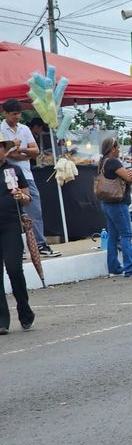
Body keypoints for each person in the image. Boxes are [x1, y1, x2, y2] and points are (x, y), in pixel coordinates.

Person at [1, 99, 59, 257]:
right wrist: (19, 151)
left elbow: (36, 151)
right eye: (14, 114)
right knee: (12, 210)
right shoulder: (1, 129)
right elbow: (8, 154)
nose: (17, 117)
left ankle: (40, 244)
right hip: (8, 174)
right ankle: (16, 248)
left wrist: (20, 149)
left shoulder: (24, 129)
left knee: (34, 208)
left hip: (27, 175)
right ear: (5, 113)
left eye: (19, 113)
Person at [0, 135, 34, 335]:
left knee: (14, 269)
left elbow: (27, 198)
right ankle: (2, 320)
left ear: (5, 150)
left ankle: (24, 310)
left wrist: (22, 196)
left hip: (11, 225)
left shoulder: (14, 170)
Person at [98, 137, 132, 278]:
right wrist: (130, 174)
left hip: (106, 203)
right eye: (118, 147)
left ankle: (114, 268)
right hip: (117, 203)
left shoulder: (102, 162)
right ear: (112, 148)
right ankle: (131, 267)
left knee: (113, 237)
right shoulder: (113, 161)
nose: (119, 150)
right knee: (126, 235)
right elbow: (129, 178)